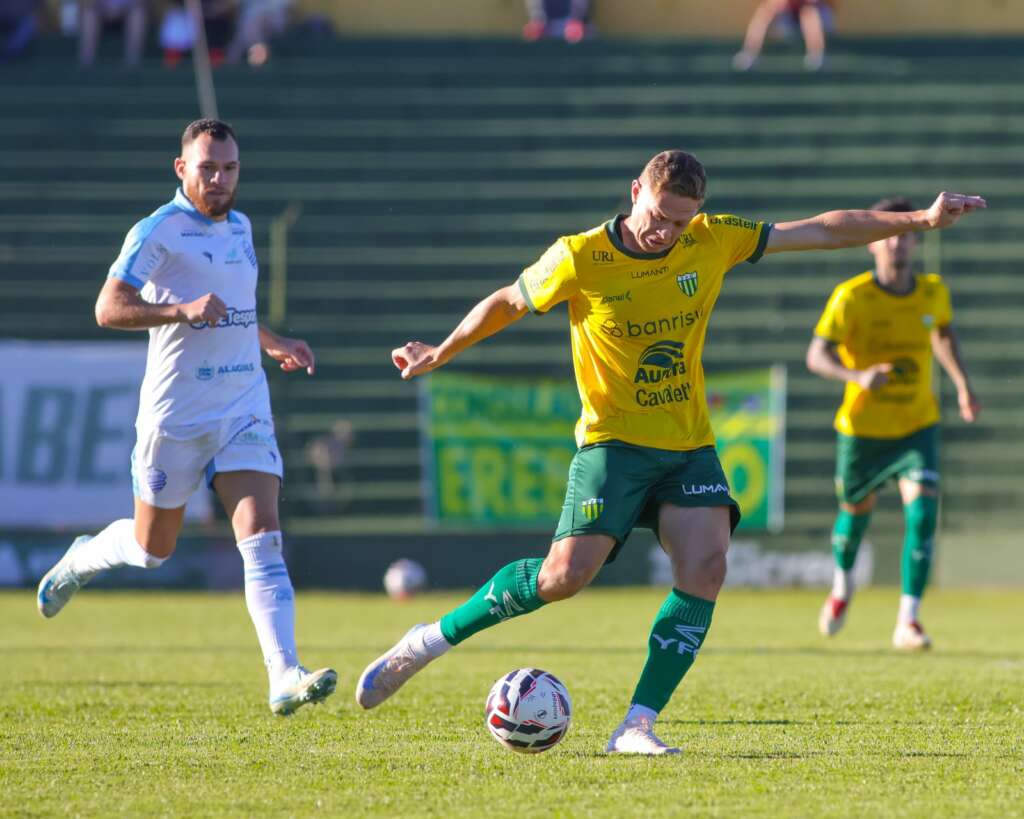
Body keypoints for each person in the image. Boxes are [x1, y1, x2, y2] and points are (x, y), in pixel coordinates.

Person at [354, 149, 985, 754]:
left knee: (707, 568)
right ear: (636, 193)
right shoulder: (580, 256)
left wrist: (923, 219)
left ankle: (636, 723)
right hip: (612, 444)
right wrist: (441, 350)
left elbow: (820, 231)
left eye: (680, 221)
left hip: (687, 445)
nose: (666, 232)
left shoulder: (712, 238)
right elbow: (509, 302)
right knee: (562, 579)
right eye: (659, 216)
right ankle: (427, 641)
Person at [36, 118, 337, 717]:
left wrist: (271, 340)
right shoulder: (159, 230)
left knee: (262, 541)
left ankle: (283, 673)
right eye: (208, 168)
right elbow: (107, 307)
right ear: (182, 169)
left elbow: (236, 310)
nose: (220, 179)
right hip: (176, 416)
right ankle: (80, 558)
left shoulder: (243, 226)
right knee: (153, 549)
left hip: (242, 405)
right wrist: (179, 310)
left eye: (229, 168)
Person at [807, 196, 981, 651]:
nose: (898, 244)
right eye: (889, 235)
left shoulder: (933, 292)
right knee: (855, 516)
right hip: (862, 429)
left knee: (923, 512)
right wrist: (858, 376)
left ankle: (909, 619)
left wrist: (962, 383)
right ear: (872, 244)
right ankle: (843, 586)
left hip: (915, 425)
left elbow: (943, 333)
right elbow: (817, 356)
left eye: (906, 235)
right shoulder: (851, 297)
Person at [733, 0, 829, 72]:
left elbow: (814, 2)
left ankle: (816, 55)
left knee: (809, 13)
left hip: (810, 19)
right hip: (785, 23)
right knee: (765, 13)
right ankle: (750, 53)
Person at [78, 0, 147, 68]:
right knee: (89, 13)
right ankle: (86, 62)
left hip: (127, 12)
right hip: (101, 13)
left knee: (138, 14)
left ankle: (132, 63)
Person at [522, 0, 590, 44]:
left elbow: (579, 5)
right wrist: (538, 21)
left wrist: (575, 20)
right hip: (546, 24)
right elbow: (536, 6)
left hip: (570, 22)